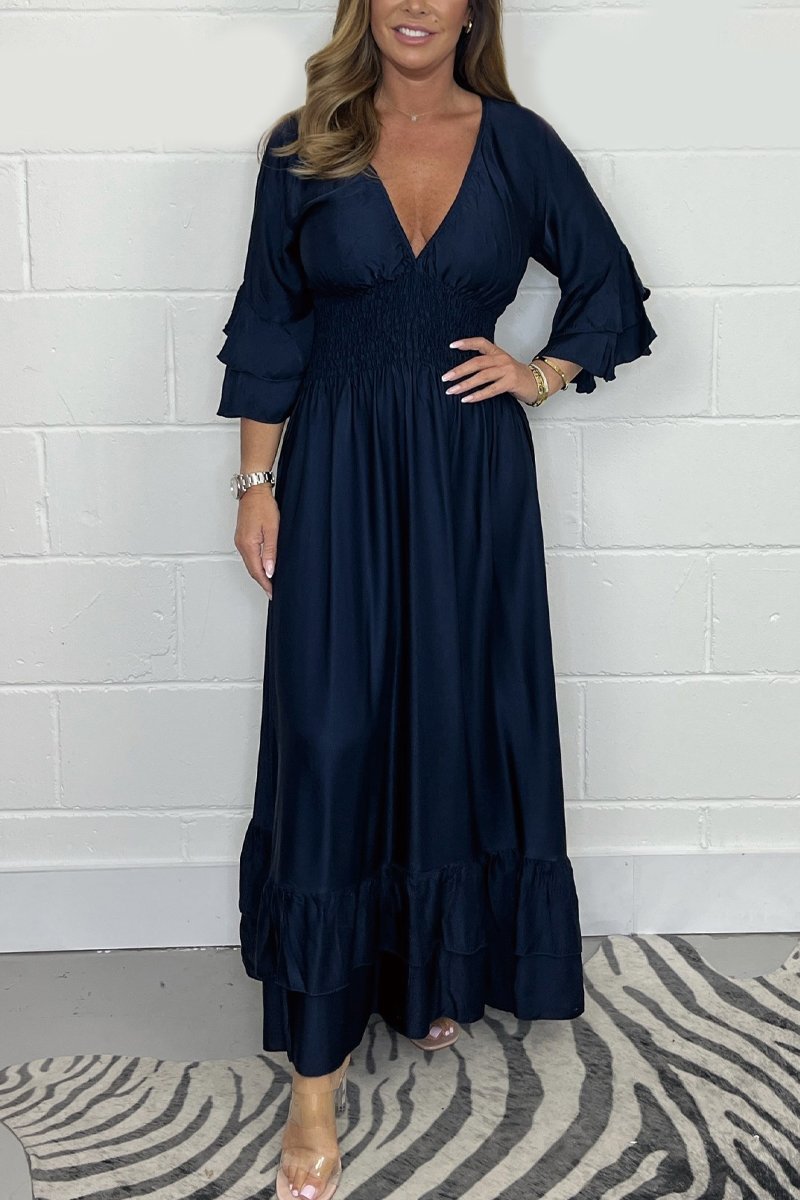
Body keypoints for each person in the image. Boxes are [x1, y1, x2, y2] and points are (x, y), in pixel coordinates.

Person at [216, 0, 657, 1194]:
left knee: (451, 723)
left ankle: (430, 971)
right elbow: (269, 319)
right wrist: (255, 484)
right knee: (330, 733)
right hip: (337, 466)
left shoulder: (518, 144)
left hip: (468, 476)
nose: (415, 3)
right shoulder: (305, 140)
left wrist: (541, 373)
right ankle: (313, 1086)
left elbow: (610, 290)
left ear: (471, 9)